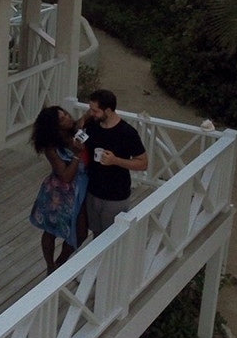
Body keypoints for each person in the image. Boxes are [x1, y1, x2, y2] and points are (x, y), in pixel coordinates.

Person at [28, 105, 89, 273]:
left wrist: (85, 118)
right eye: (62, 119)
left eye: (67, 114)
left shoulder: (75, 132)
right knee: (51, 231)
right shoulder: (52, 148)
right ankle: (50, 266)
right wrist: (77, 155)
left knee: (81, 232)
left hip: (80, 191)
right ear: (54, 126)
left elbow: (90, 113)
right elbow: (65, 177)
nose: (68, 118)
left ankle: (60, 262)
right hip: (58, 194)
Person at [81, 88, 148, 237]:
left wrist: (115, 160)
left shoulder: (127, 133)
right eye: (90, 110)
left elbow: (143, 163)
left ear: (109, 110)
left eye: (95, 111)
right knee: (96, 233)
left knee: (111, 237)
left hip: (115, 195)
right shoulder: (92, 125)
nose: (91, 114)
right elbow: (81, 138)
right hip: (92, 191)